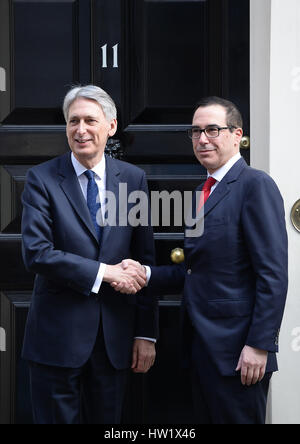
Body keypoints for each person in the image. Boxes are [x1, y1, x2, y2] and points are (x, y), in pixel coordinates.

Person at [116, 97, 288, 424]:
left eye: (212, 129)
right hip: (200, 348)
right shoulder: (201, 193)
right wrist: (146, 273)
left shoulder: (256, 185)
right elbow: (193, 270)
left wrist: (259, 345)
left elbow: (273, 275)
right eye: (195, 132)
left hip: (240, 353)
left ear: (237, 134)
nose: (202, 139)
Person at [21, 85, 158, 424]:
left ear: (111, 126)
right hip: (55, 340)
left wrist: (146, 333)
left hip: (114, 341)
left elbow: (145, 259)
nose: (81, 130)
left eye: (90, 121)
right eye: (73, 121)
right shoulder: (41, 179)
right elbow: (37, 254)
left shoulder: (133, 179)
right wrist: (105, 272)